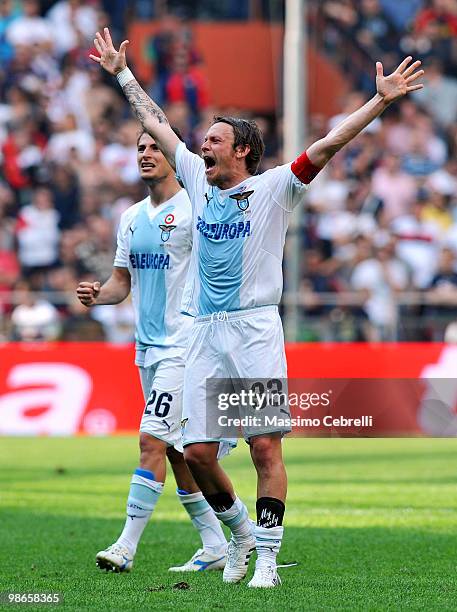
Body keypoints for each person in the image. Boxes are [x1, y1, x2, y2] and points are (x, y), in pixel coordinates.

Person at [90, 27, 424, 588]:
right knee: (194, 451)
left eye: (215, 140)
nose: (202, 147)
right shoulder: (196, 180)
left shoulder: (273, 189)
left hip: (252, 330)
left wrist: (379, 102)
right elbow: (156, 122)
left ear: (242, 149)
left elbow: (325, 147)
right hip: (202, 332)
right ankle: (240, 533)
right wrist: (122, 73)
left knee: (264, 446)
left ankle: (266, 554)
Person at [76, 127, 227, 573]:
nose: (145, 154)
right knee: (179, 454)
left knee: (150, 441)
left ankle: (125, 545)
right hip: (147, 348)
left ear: (173, 157)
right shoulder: (131, 217)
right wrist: (96, 294)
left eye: (154, 147)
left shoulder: (195, 209)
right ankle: (216, 543)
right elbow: (121, 283)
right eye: (139, 148)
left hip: (185, 345)